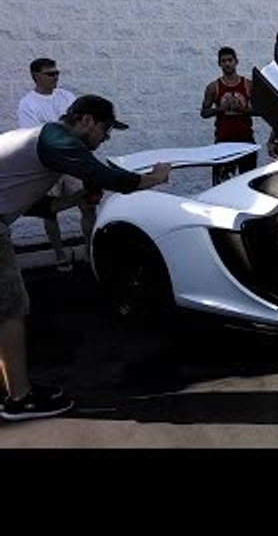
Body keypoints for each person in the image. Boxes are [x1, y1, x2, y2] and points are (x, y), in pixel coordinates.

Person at [0, 95, 171, 421]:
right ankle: (19, 400)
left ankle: (13, 388)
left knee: (4, 309)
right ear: (86, 120)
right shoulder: (55, 138)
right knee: (10, 308)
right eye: (105, 129)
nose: (106, 137)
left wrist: (79, 197)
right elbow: (112, 178)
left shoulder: (41, 147)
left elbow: (41, 208)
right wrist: (155, 177)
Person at [16, 58, 95, 271]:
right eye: (50, 74)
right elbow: (38, 136)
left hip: (72, 163)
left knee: (88, 204)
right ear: (36, 76)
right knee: (49, 212)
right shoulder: (28, 103)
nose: (56, 77)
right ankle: (60, 255)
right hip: (45, 166)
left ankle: (89, 251)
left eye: (57, 73)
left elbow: (80, 124)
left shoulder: (67, 96)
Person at [201, 46, 257, 185]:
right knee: (222, 184)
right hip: (223, 142)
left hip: (245, 140)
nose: (227, 63)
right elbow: (204, 112)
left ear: (236, 61)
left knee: (248, 183)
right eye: (223, 61)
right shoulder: (214, 87)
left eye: (230, 60)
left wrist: (241, 109)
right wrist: (220, 109)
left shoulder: (248, 85)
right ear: (219, 63)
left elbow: (261, 110)